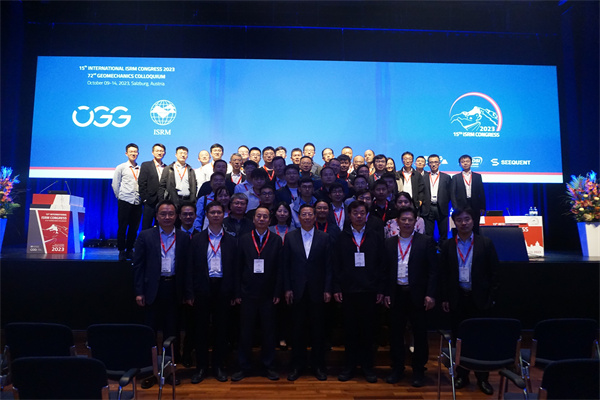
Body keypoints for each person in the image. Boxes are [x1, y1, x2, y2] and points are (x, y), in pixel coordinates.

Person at [440, 208, 499, 395]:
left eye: (467, 219)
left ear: (473, 221)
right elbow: (444, 274)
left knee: (481, 339)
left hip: (480, 299)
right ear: (455, 222)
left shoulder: (485, 243)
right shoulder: (448, 245)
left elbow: (495, 273)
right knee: (460, 339)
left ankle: (482, 378)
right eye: (459, 220)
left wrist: (490, 298)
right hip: (458, 298)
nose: (463, 223)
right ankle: (462, 375)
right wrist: (445, 297)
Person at [133, 199, 191, 387]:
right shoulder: (145, 236)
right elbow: (138, 266)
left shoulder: (183, 237)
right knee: (150, 332)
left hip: (174, 288)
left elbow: (187, 268)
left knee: (171, 333)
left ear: (177, 216)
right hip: (152, 290)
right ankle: (150, 371)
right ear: (156, 216)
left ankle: (169, 371)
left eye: (171, 214)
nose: (167, 217)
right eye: (163, 214)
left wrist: (187, 293)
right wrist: (139, 291)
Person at [383, 207, 438, 387]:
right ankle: (397, 368)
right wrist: (386, 293)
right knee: (395, 334)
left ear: (416, 222)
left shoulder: (425, 241)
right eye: (403, 219)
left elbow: (433, 271)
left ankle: (418, 370)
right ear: (397, 222)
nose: (407, 222)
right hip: (396, 294)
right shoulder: (389, 243)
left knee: (419, 334)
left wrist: (430, 294)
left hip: (418, 296)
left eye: (410, 219)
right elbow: (384, 271)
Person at [333, 201, 385, 383]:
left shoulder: (375, 236)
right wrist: (337, 287)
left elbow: (382, 265)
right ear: (349, 215)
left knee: (368, 331)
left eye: (362, 212)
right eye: (355, 213)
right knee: (350, 331)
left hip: (370, 291)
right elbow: (336, 265)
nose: (359, 216)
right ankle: (349, 367)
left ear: (367, 215)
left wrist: (380, 289)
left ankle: (368, 367)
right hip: (348, 291)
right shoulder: (342, 237)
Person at [187, 201, 237, 384]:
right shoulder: (197, 239)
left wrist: (235, 292)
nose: (216, 215)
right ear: (207, 215)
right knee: (200, 329)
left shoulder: (231, 240)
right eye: (212, 212)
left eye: (219, 212)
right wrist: (190, 293)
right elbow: (189, 268)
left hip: (223, 289)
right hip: (202, 288)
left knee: (221, 329)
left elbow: (236, 269)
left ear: (224, 215)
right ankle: (201, 367)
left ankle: (218, 366)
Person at [232, 207, 283, 382]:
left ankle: (268, 366)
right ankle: (243, 366)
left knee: (269, 332)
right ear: (253, 219)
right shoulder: (244, 239)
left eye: (265, 217)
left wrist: (277, 291)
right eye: (258, 216)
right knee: (245, 332)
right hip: (247, 293)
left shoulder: (276, 240)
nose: (261, 219)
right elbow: (238, 267)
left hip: (269, 294)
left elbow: (279, 269)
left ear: (270, 220)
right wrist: (237, 292)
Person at [283, 204, 332, 381]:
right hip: (297, 290)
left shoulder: (324, 237)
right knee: (297, 330)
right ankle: (297, 366)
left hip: (317, 290)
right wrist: (287, 288)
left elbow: (329, 266)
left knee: (318, 330)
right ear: (299, 217)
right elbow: (285, 265)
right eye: (303, 214)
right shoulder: (290, 237)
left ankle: (318, 366)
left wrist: (327, 288)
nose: (307, 217)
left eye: (310, 214)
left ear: (314, 217)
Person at [112, 143, 142, 261]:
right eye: (131, 152)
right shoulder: (121, 167)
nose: (133, 154)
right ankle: (121, 250)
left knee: (134, 228)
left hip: (137, 201)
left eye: (135, 152)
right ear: (126, 153)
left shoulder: (141, 168)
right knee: (123, 227)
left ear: (138, 153)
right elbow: (115, 184)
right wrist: (120, 196)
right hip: (125, 200)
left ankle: (130, 250)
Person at [450, 155, 486, 233]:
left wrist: (483, 207)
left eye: (467, 161)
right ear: (460, 164)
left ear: (471, 163)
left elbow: (481, 192)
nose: (465, 163)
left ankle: (475, 240)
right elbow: (452, 194)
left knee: (475, 226)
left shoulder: (477, 176)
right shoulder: (455, 177)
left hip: (475, 205)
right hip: (461, 205)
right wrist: (455, 207)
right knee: (462, 226)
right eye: (463, 162)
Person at [422, 154, 452, 245]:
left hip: (441, 207)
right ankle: (430, 250)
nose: (433, 164)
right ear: (428, 164)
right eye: (431, 162)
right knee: (428, 233)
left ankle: (443, 250)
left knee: (443, 233)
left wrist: (445, 203)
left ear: (439, 163)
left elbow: (450, 193)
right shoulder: (423, 177)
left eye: (435, 162)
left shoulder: (446, 177)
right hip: (428, 207)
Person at [139, 143, 167, 230]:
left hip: (162, 201)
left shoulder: (167, 167)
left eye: (161, 151)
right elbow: (142, 183)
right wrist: (145, 199)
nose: (159, 153)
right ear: (152, 152)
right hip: (150, 201)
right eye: (157, 151)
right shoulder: (146, 165)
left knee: (161, 226)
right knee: (146, 226)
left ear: (164, 153)